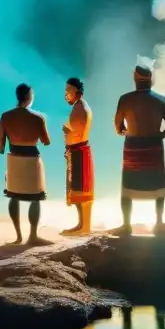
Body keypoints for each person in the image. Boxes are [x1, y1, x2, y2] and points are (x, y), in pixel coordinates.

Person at [112, 64, 165, 236]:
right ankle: (159, 222)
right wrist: (159, 136)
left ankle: (126, 225)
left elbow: (118, 127)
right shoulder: (162, 100)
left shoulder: (125, 99)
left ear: (135, 78)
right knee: (157, 186)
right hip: (154, 147)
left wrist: (124, 131)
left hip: (132, 148)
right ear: (151, 80)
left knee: (127, 187)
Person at [0, 83, 52, 245]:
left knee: (13, 196)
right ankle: (33, 236)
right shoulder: (38, 118)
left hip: (14, 158)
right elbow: (46, 141)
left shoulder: (5, 116)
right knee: (35, 198)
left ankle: (18, 236)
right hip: (32, 159)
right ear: (30, 98)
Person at [62, 76, 95, 235]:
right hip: (77, 150)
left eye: (68, 92)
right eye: (65, 92)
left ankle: (84, 226)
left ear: (78, 93)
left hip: (79, 150)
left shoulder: (80, 108)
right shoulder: (80, 106)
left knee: (81, 190)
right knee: (78, 190)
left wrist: (67, 131)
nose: (66, 95)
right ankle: (81, 224)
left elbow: (78, 132)